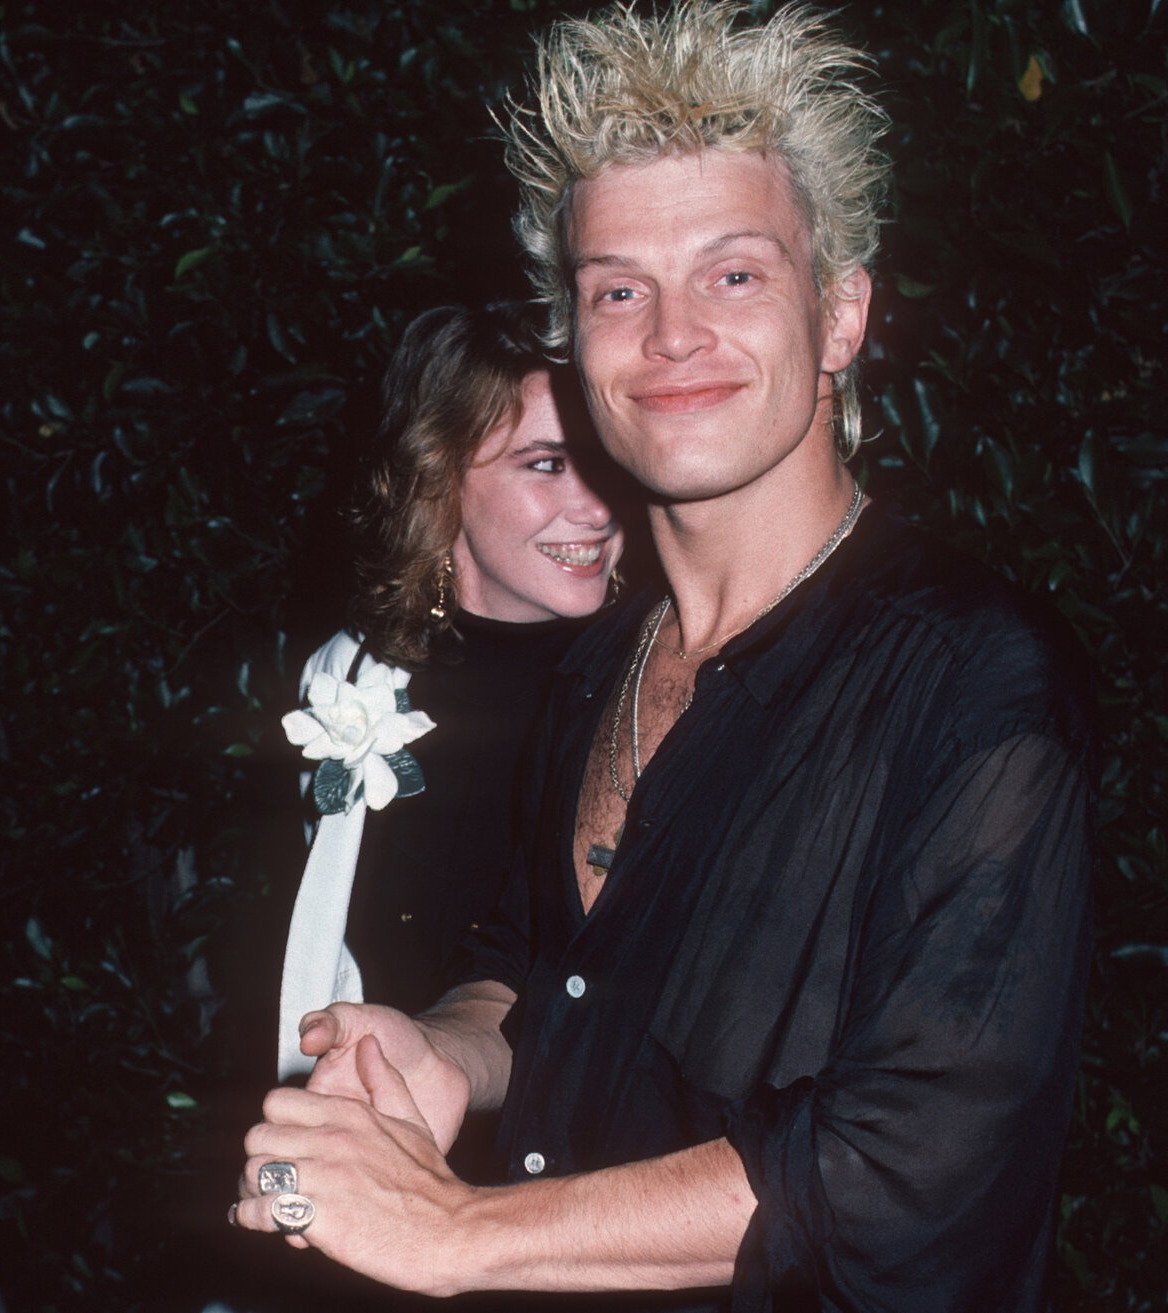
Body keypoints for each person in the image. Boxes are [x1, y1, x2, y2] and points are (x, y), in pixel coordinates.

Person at [235, 5, 1094, 1311]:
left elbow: (904, 1163)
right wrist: (445, 1054)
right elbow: (537, 967)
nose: (671, 334)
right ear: (572, 342)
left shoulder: (969, 673)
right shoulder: (599, 660)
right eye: (616, 289)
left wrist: (458, 1231)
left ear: (844, 312)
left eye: (734, 272)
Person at [276, 300, 626, 1082]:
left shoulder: (648, 677)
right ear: (439, 476)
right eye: (546, 464)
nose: (599, 508)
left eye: (606, 459)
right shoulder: (349, 681)